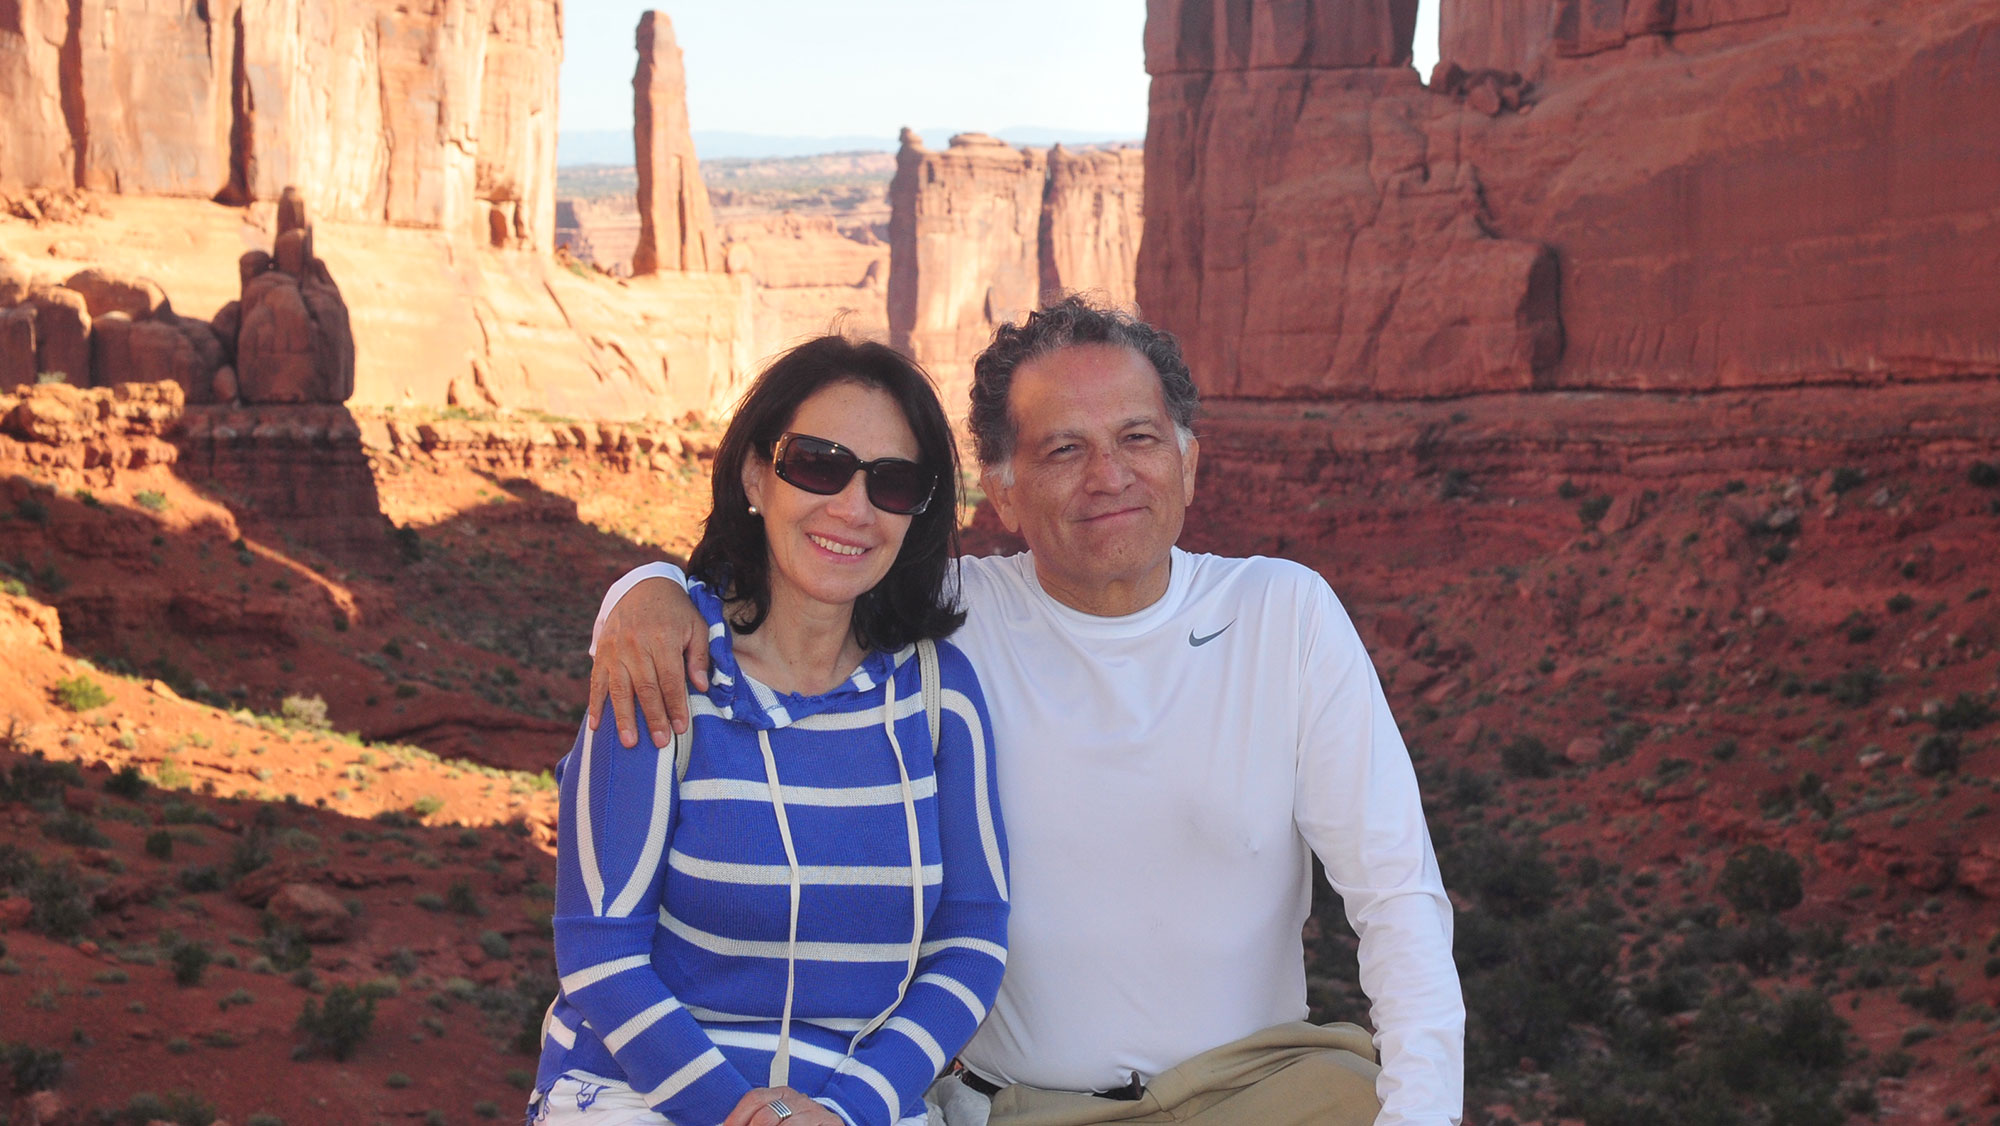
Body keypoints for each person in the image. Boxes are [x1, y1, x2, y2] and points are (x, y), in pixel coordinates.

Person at [589, 298, 1463, 1126]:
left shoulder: (1285, 614)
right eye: (1063, 451)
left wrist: (1425, 1113)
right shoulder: (945, 618)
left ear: (1189, 463)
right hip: (1021, 1106)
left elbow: (1396, 896)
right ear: (999, 493)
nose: (1109, 476)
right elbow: (788, 580)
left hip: (1262, 1090)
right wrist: (647, 590)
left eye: (1139, 438)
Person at [533, 336, 1009, 1126]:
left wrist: (853, 1108)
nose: (853, 509)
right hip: (638, 1095)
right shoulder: (664, 666)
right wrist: (739, 1114)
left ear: (919, 510)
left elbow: (973, 937)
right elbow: (598, 952)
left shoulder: (938, 695)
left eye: (893, 482)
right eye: (818, 465)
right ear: (757, 474)